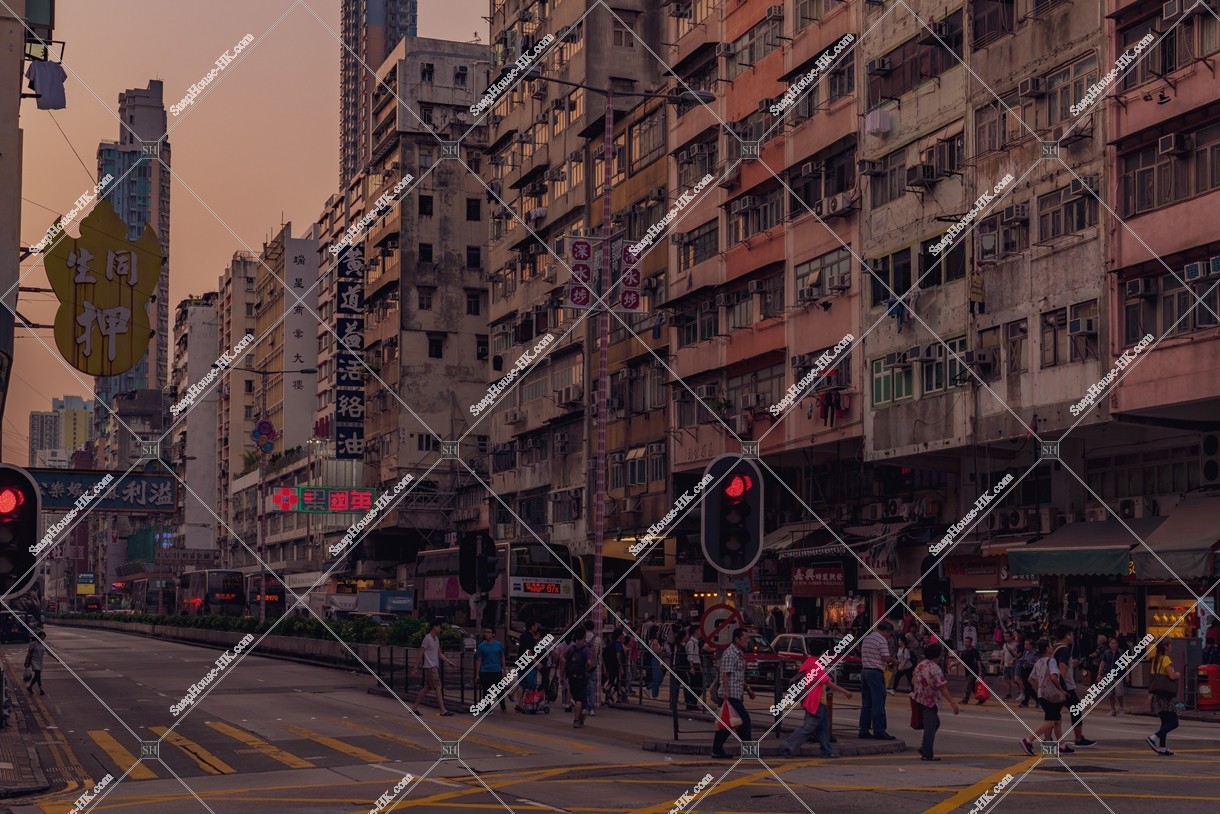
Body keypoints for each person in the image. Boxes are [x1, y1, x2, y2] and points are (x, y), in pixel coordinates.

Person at [781, 654, 853, 758]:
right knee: (808, 728)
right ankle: (787, 747)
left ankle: (826, 750)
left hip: (815, 701)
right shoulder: (816, 666)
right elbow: (828, 682)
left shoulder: (809, 663)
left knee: (823, 728)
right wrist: (846, 692)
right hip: (815, 702)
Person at [1019, 638, 1071, 756]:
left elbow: (1030, 679)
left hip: (1042, 695)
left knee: (1057, 719)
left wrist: (1039, 688)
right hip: (1052, 695)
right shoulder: (1051, 661)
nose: (1052, 647)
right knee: (1050, 722)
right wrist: (1061, 690)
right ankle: (1028, 740)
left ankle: (1061, 746)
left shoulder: (1038, 662)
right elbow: (1053, 677)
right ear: (1047, 649)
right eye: (1050, 646)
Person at [711, 628, 755, 759]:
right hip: (730, 694)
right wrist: (725, 691)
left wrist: (748, 689)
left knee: (730, 723)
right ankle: (749, 751)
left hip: (736, 692)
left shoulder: (738, 653)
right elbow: (726, 674)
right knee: (744, 721)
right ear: (737, 639)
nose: (748, 642)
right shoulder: (730, 654)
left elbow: (739, 674)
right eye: (745, 639)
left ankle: (717, 750)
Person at [911, 641, 959, 761]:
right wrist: (953, 702)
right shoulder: (935, 668)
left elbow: (913, 680)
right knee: (930, 727)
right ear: (938, 655)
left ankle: (924, 748)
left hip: (919, 698)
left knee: (934, 724)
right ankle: (927, 753)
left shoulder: (920, 665)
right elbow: (942, 687)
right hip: (929, 701)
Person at [1054, 625, 1095, 747]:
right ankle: (1078, 738)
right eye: (1071, 635)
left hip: (1056, 685)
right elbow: (1062, 666)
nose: (1072, 637)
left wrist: (1072, 663)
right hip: (1065, 687)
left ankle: (1048, 741)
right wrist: (1062, 686)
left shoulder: (1055, 648)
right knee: (1076, 710)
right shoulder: (1065, 649)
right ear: (1067, 635)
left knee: (1052, 715)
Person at [858, 621, 898, 740]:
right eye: (889, 634)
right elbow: (885, 657)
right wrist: (895, 661)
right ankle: (879, 730)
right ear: (886, 631)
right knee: (878, 703)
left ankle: (863, 730)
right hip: (875, 672)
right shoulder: (881, 640)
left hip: (865, 671)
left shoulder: (867, 638)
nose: (888, 636)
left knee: (866, 704)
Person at [413, 621, 456, 716]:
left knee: (427, 688)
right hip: (430, 666)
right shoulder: (427, 639)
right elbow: (421, 653)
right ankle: (443, 709)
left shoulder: (436, 639)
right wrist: (415, 667)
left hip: (433, 666)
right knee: (438, 686)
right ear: (434, 627)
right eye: (439, 627)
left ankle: (414, 707)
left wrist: (448, 661)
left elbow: (439, 653)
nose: (440, 629)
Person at [1147, 641, 1180, 755]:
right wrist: (1178, 674)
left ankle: (1162, 748)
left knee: (1165, 722)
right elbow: (1171, 675)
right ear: (1165, 647)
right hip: (1165, 696)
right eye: (1169, 645)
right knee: (1174, 722)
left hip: (1157, 695)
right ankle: (1153, 737)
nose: (1171, 647)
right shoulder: (1165, 659)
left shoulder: (1155, 659)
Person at [474, 627, 508, 713]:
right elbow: (479, 659)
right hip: (485, 671)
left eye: (489, 632)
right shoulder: (481, 646)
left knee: (499, 690)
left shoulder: (498, 644)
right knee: (486, 690)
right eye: (485, 632)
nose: (486, 634)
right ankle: (487, 708)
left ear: (493, 634)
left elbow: (502, 657)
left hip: (496, 670)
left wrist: (504, 669)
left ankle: (502, 705)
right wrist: (477, 674)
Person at [565, 629, 593, 728]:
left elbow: (564, 659)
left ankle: (580, 717)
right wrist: (587, 667)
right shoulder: (586, 650)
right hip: (581, 677)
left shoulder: (570, 649)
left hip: (571, 677)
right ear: (584, 637)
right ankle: (576, 720)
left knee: (576, 697)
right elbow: (589, 663)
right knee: (579, 699)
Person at [1098, 637, 1126, 715]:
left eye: (1115, 643)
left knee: (1119, 693)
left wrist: (1127, 675)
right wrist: (1099, 674)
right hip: (1109, 675)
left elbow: (1125, 664)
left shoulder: (1121, 652)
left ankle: (1121, 708)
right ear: (1109, 644)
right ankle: (1112, 709)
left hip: (1119, 675)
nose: (1114, 645)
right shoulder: (1106, 653)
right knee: (1110, 693)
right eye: (1112, 643)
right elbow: (1102, 663)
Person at [960, 637, 985, 704]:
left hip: (974, 671)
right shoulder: (964, 652)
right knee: (973, 687)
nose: (966, 643)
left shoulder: (974, 651)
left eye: (967, 642)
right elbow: (959, 661)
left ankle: (965, 700)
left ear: (971, 642)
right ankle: (981, 698)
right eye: (965, 642)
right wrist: (952, 665)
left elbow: (978, 661)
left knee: (969, 686)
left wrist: (980, 672)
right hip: (968, 672)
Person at [683, 625, 703, 710]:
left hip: (697, 665)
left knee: (698, 686)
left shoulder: (696, 642)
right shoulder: (691, 642)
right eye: (699, 630)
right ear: (695, 631)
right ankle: (690, 703)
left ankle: (692, 703)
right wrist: (692, 667)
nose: (701, 632)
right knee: (696, 686)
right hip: (693, 666)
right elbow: (690, 656)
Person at [24, 630, 46, 696]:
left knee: (38, 675)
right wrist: (27, 662)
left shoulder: (43, 644)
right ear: (38, 637)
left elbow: (49, 652)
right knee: (37, 674)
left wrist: (56, 658)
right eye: (42, 637)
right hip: (34, 661)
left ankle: (32, 688)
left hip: (40, 661)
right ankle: (39, 689)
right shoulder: (33, 644)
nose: (43, 639)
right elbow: (29, 653)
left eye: (44, 638)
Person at [647, 625, 666, 700]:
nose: (659, 632)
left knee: (659, 676)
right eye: (658, 631)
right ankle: (654, 694)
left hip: (656, 659)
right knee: (657, 677)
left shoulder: (652, 640)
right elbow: (656, 651)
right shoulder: (655, 641)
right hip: (655, 659)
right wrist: (661, 648)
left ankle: (649, 687)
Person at [1001, 631, 1021, 700]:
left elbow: (1018, 655)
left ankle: (1021, 691)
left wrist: (1014, 660)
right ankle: (1008, 693)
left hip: (1013, 665)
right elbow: (1003, 655)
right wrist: (1001, 664)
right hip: (1006, 665)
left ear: (1011, 637)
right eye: (1004, 636)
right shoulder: (1004, 645)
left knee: (1015, 680)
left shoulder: (1015, 645)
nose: (1005, 638)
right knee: (1007, 680)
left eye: (1007, 636)